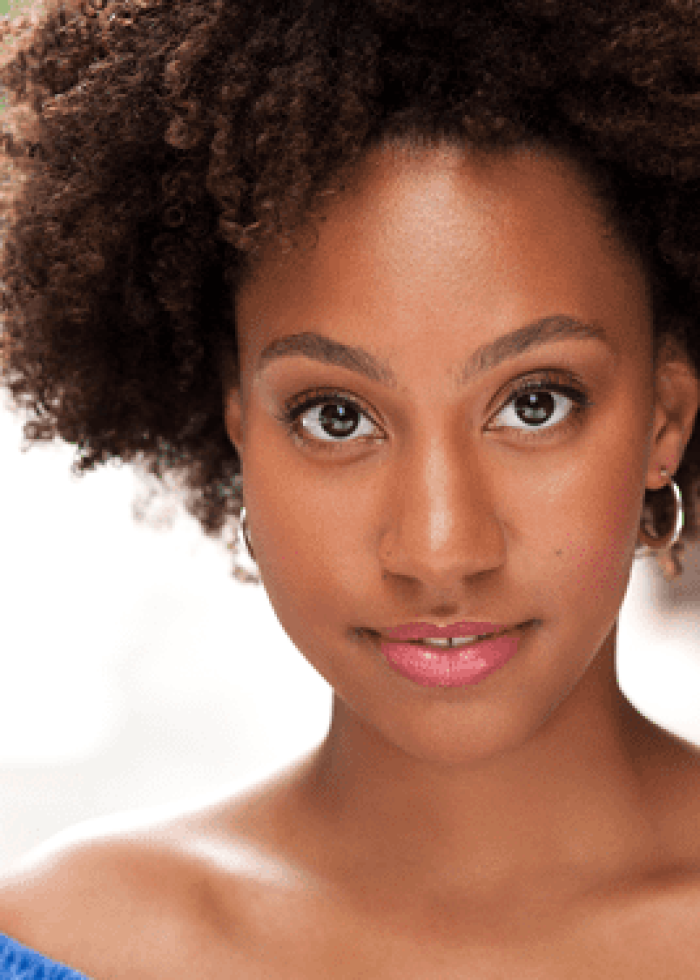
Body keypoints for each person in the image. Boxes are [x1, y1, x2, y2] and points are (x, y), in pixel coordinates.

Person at [0, 0, 699, 976]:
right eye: (337, 416)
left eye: (534, 403)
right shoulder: (66, 941)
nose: (440, 547)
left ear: (664, 415)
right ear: (237, 422)